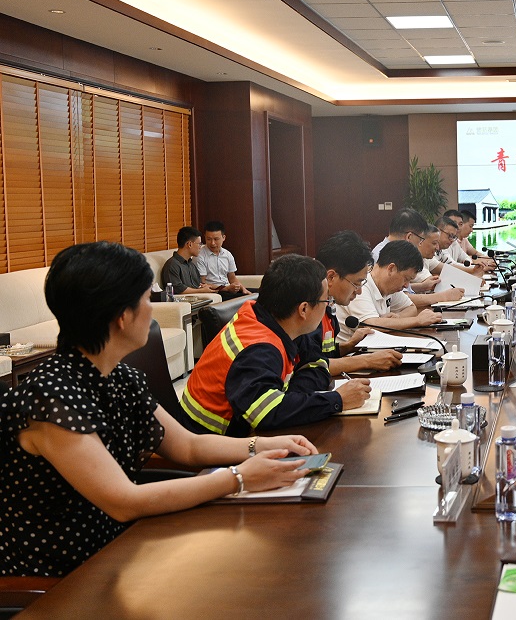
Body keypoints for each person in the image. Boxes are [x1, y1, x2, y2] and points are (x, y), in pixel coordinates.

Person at [0, 241, 316, 577]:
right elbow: (123, 502)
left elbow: (187, 446)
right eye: (146, 300)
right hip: (63, 571)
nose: (152, 310)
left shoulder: (120, 376)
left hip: (121, 545)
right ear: (122, 317)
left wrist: (260, 446)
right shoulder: (51, 398)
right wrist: (238, 478)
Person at [179, 254, 371, 437]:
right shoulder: (258, 347)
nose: (327, 305)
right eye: (326, 300)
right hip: (212, 443)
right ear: (304, 309)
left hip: (246, 434)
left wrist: (291, 398)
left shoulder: (285, 324)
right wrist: (337, 400)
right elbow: (267, 414)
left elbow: (317, 365)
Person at [314, 231, 403, 372]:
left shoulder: (328, 305)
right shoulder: (309, 311)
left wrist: (349, 345)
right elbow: (312, 366)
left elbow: (323, 354)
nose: (359, 291)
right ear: (331, 277)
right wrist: (366, 361)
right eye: (356, 283)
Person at [336, 240, 442, 342]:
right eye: (406, 279)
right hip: (350, 351)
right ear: (391, 269)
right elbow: (371, 325)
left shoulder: (389, 286)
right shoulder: (361, 285)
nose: (406, 285)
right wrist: (417, 320)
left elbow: (411, 308)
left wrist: (397, 318)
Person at [196, 220, 250, 300]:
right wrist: (226, 288)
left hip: (228, 289)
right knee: (245, 299)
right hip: (215, 292)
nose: (212, 243)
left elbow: (232, 278)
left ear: (223, 238)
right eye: (209, 239)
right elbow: (202, 284)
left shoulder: (227, 254)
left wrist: (244, 289)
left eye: (216, 239)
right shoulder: (199, 256)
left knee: (259, 293)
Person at [161, 226, 218, 295]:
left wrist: (204, 287)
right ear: (189, 244)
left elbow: (198, 285)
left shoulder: (191, 264)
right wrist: (201, 291)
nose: (200, 247)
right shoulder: (172, 265)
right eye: (199, 244)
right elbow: (177, 289)